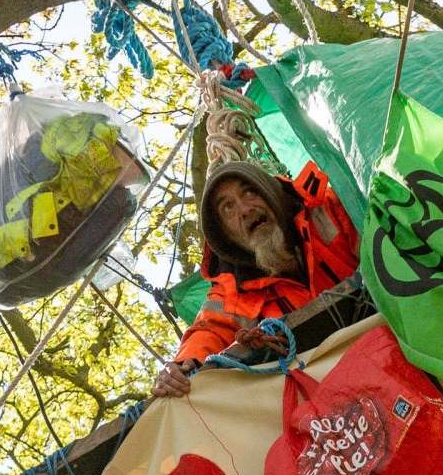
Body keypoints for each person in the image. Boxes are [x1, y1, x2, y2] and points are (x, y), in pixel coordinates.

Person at [152, 159, 360, 397]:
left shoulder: (327, 208)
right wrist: (181, 366)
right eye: (228, 208)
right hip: (336, 394)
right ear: (225, 236)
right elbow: (209, 331)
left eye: (250, 192)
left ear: (269, 191)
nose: (244, 209)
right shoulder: (231, 294)